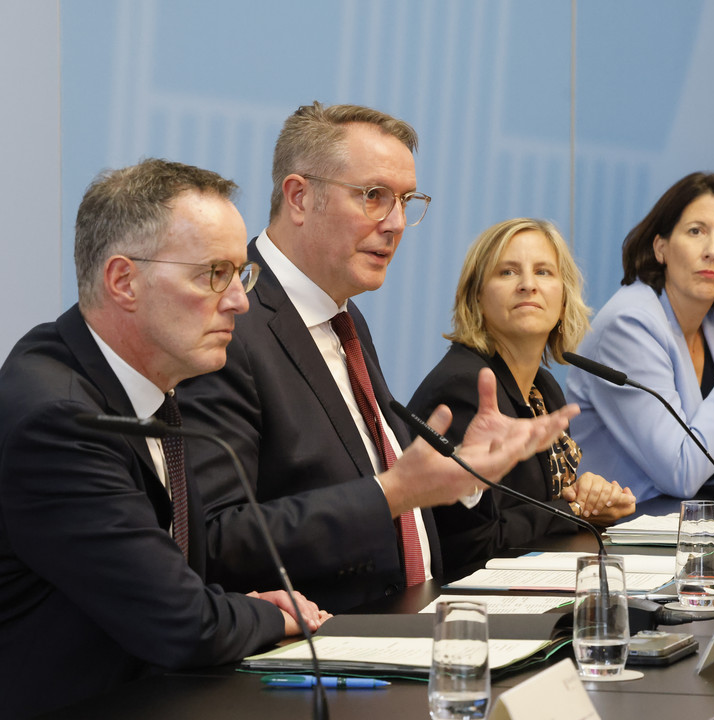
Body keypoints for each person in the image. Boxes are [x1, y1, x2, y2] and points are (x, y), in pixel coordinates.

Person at [178, 103, 576, 612]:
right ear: (299, 197)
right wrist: (389, 493)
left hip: (409, 624)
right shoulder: (231, 321)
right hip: (315, 650)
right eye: (374, 197)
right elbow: (217, 538)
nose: (396, 224)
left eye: (406, 201)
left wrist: (464, 475)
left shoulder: (345, 319)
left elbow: (409, 513)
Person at [0, 159, 329, 718]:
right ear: (123, 281)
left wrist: (224, 608)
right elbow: (181, 625)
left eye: (241, 274)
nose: (239, 301)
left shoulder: (150, 382)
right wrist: (275, 615)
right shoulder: (58, 421)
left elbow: (176, 593)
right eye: (213, 274)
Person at [407, 219, 635, 577]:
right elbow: (471, 542)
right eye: (508, 272)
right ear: (477, 298)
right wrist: (573, 511)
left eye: (544, 272)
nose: (528, 285)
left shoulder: (543, 388)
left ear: (563, 299)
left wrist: (587, 493)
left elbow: (543, 502)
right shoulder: (464, 388)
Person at [565, 172, 714, 503]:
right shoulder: (629, 325)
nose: (713, 251)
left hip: (689, 523)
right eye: (696, 232)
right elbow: (680, 473)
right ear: (660, 247)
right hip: (621, 528)